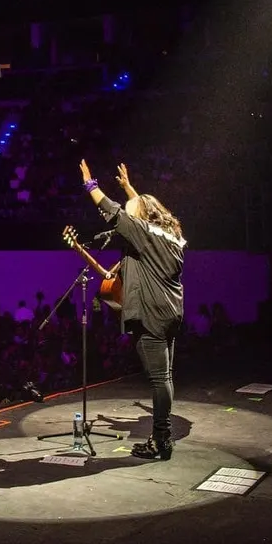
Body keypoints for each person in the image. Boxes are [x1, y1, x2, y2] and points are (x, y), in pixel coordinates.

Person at [79, 159, 185, 460]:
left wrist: (90, 185)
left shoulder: (143, 234)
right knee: (165, 377)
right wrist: (129, 188)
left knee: (159, 379)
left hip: (151, 314)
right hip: (170, 312)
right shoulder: (171, 237)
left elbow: (112, 211)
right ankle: (162, 437)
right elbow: (142, 213)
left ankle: (161, 440)